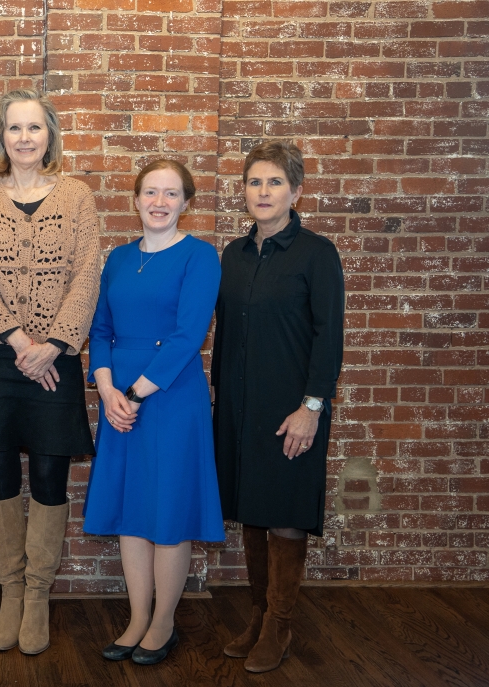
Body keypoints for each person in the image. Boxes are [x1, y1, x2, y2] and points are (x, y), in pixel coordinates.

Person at [0, 89, 100, 656]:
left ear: (49, 135)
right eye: (15, 128)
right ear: (1, 137)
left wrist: (54, 343)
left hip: (55, 359)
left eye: (35, 128)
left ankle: (38, 594)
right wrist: (17, 341)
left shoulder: (77, 197)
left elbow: (88, 273)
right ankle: (10, 590)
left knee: (48, 476)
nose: (25, 138)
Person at [83, 160, 224, 665]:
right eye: (150, 192)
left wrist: (136, 393)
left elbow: (190, 335)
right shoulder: (118, 259)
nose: (159, 202)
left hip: (169, 397)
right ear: (135, 200)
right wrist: (106, 389)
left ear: (186, 202)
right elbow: (100, 331)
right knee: (132, 509)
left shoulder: (200, 257)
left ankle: (164, 622)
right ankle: (137, 616)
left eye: (171, 194)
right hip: (119, 399)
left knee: (168, 509)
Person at [212, 141, 344, 673]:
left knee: (284, 517)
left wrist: (311, 407)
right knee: (251, 510)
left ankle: (280, 627)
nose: (262, 192)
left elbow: (328, 337)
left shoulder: (317, 253)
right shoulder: (233, 255)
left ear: (296, 191)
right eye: (254, 182)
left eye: (274, 183)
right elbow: (224, 334)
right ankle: (258, 615)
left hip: (293, 409)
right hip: (241, 408)